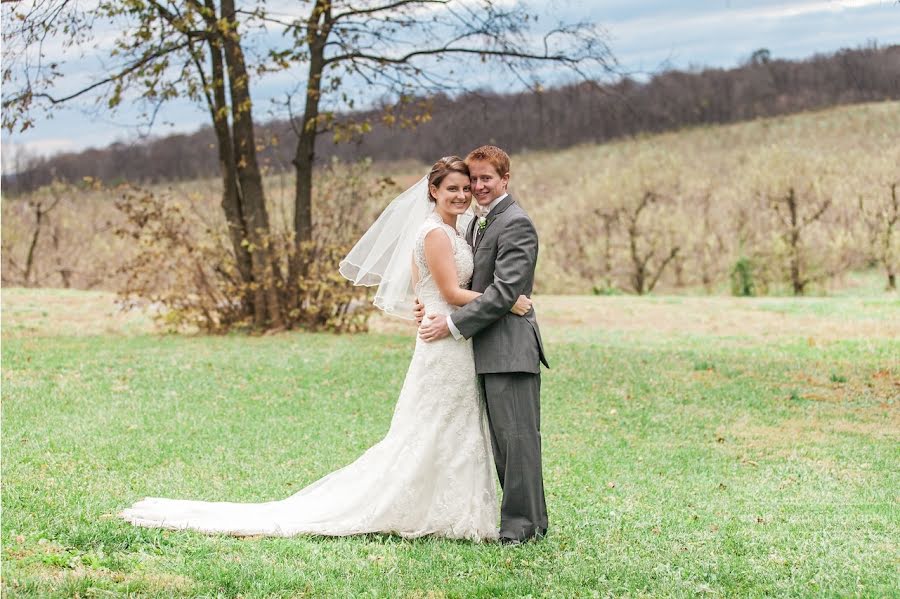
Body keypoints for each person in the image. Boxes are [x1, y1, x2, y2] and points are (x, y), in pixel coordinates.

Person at [119, 156, 531, 541]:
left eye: (467, 188)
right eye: (453, 188)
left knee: (446, 426)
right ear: (433, 191)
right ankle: (430, 511)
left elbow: (422, 289)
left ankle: (447, 510)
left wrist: (428, 306)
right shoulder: (437, 233)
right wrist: (507, 299)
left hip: (450, 337)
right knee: (434, 426)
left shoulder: (456, 230)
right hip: (444, 339)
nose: (462, 194)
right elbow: (450, 290)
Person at [417, 145, 549, 544]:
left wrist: (452, 325)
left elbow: (505, 290)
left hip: (510, 350)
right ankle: (531, 523)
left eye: (485, 179)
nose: (477, 187)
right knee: (506, 444)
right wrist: (425, 303)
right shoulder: (475, 224)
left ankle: (522, 528)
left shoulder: (516, 223)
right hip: (486, 349)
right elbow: (460, 283)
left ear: (504, 179)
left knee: (518, 442)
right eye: (473, 180)